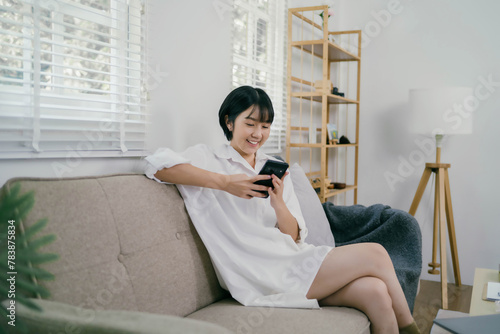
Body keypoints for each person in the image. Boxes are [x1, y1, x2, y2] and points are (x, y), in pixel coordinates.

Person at [144, 86, 420, 334]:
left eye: (265, 126)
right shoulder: (209, 158)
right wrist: (226, 183)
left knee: (376, 292)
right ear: (229, 122)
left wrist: (278, 203)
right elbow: (155, 164)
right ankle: (414, 330)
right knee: (376, 253)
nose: (257, 134)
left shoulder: (273, 167)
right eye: (249, 124)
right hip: (259, 272)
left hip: (288, 259)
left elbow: (292, 236)